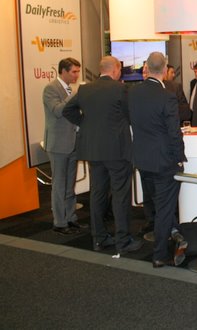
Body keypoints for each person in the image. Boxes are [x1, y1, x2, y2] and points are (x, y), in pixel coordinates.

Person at [62, 56, 143, 254]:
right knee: (120, 195)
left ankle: (99, 239)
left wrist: (85, 124)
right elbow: (131, 115)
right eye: (119, 70)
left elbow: (67, 110)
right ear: (115, 70)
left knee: (97, 193)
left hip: (94, 150)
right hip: (117, 151)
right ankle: (123, 240)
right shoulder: (121, 89)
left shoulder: (85, 89)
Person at [128, 52, 187, 268]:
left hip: (142, 158)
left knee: (155, 204)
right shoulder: (167, 96)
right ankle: (160, 254)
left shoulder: (132, 92)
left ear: (146, 68)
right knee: (165, 207)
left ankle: (174, 236)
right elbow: (174, 132)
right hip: (164, 161)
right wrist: (179, 158)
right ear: (164, 69)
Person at [42, 57, 86, 235]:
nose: (76, 75)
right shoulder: (51, 89)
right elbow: (58, 111)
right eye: (74, 72)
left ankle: (70, 218)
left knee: (70, 184)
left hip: (72, 143)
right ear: (63, 71)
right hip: (58, 145)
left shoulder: (71, 90)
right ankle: (59, 222)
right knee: (59, 185)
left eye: (78, 71)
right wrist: (76, 95)